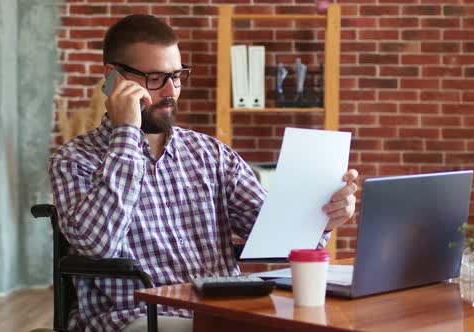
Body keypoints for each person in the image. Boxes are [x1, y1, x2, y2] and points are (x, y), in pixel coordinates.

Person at [49, 14, 358, 332]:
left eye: (177, 75)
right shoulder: (74, 160)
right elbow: (97, 244)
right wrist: (127, 132)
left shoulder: (211, 155)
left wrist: (323, 217)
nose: (171, 91)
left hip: (222, 312)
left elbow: (275, 236)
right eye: (155, 78)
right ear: (113, 79)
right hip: (136, 317)